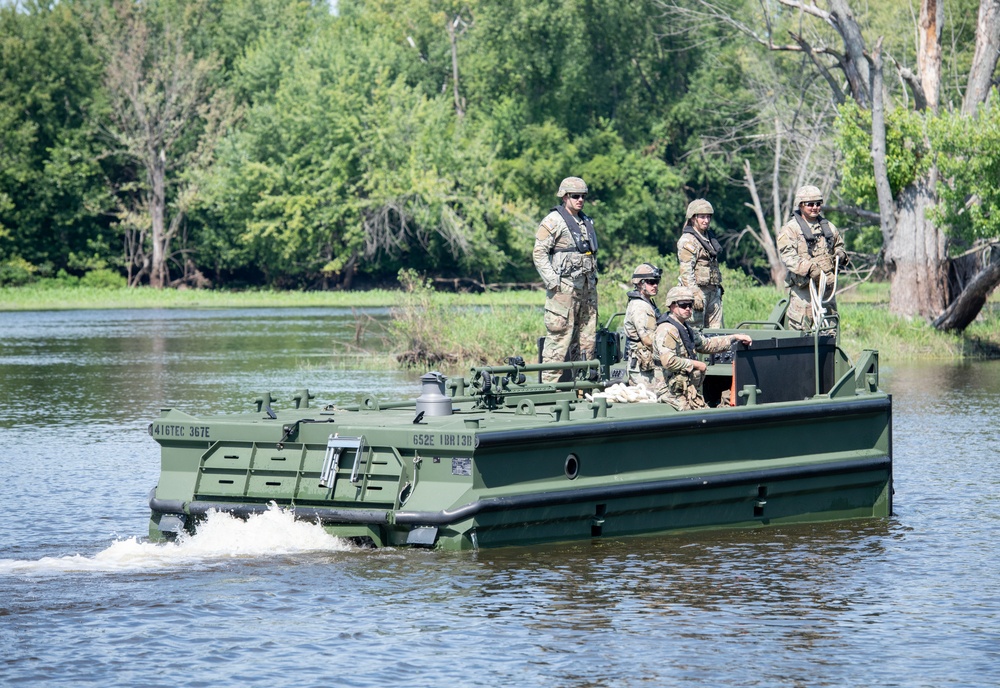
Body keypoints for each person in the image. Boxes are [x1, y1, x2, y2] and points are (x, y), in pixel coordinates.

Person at [532, 176, 599, 383]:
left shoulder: (585, 222)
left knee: (587, 341)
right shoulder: (553, 221)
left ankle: (583, 387)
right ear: (564, 197)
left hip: (587, 291)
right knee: (559, 339)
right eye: (575, 196)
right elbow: (539, 253)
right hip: (564, 291)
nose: (580, 200)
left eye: (583, 196)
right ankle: (548, 390)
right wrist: (553, 282)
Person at [653, 286, 753, 411]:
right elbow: (668, 361)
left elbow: (706, 344)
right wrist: (696, 364)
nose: (688, 308)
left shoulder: (685, 328)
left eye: (691, 305)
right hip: (669, 390)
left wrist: (734, 338)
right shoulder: (667, 329)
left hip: (683, 388)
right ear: (672, 305)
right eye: (683, 305)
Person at [776, 185, 848, 331]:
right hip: (804, 291)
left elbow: (838, 245)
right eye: (810, 204)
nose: (815, 207)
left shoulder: (828, 227)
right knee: (802, 330)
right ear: (801, 205)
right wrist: (810, 269)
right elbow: (788, 256)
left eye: (818, 204)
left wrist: (841, 254)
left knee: (829, 328)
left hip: (827, 290)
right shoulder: (790, 229)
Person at [677, 199, 724, 328]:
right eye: (702, 217)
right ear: (693, 218)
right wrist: (694, 293)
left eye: (708, 217)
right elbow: (686, 271)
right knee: (696, 332)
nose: (706, 220)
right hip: (697, 293)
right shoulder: (688, 240)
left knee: (715, 333)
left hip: (713, 292)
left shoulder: (709, 238)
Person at [623, 263, 662, 388]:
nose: (655, 285)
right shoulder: (641, 307)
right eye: (651, 282)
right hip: (642, 368)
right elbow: (647, 339)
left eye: (657, 281)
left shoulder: (646, 303)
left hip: (646, 363)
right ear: (640, 283)